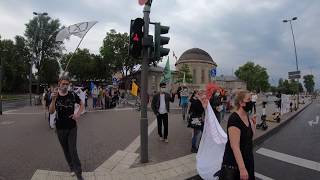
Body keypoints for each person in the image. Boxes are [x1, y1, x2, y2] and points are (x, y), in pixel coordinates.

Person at [49, 75, 84, 180]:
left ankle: (79, 173)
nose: (65, 86)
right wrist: (53, 100)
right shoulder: (55, 95)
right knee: (66, 150)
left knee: (73, 150)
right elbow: (51, 111)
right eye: (63, 84)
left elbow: (82, 103)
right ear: (59, 83)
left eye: (67, 84)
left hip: (72, 127)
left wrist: (78, 114)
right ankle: (72, 167)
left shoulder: (72, 95)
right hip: (60, 128)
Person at [219, 90, 256, 180]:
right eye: (249, 99)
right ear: (241, 103)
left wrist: (253, 124)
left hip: (247, 159)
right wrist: (242, 169)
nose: (251, 102)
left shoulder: (246, 116)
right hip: (235, 163)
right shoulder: (234, 119)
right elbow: (235, 146)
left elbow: (249, 137)